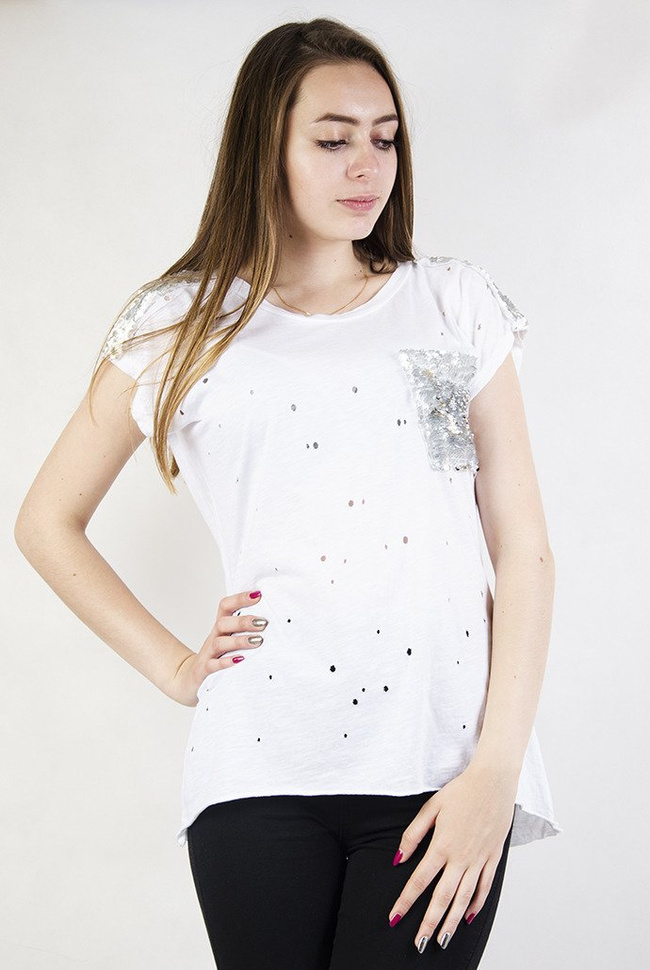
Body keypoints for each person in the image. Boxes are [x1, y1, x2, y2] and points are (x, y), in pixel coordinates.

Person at [14, 16, 562, 970]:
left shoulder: (451, 306)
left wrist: (498, 768)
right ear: (264, 146)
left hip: (440, 762)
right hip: (258, 768)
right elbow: (45, 522)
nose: (368, 166)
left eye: (385, 138)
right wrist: (176, 669)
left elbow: (524, 550)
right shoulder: (179, 326)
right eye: (333, 139)